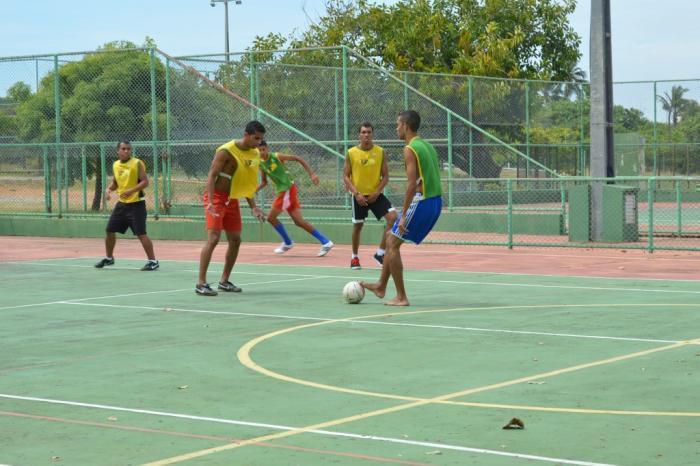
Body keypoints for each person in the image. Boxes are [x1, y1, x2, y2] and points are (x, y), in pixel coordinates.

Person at [361, 110, 442, 306]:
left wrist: (404, 215)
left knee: (392, 242)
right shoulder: (427, 146)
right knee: (391, 239)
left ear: (405, 126)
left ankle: (401, 297)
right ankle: (381, 286)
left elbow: (412, 185)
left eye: (398, 124)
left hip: (423, 201)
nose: (396, 128)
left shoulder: (410, 149)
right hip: (436, 201)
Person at [196, 121, 267, 296]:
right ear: (246, 134)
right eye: (256, 138)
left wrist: (254, 207)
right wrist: (210, 202)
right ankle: (201, 283)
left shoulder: (254, 153)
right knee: (214, 238)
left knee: (235, 240)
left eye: (261, 139)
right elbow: (211, 175)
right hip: (216, 198)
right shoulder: (226, 151)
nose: (258, 142)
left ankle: (224, 281)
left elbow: (246, 183)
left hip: (232, 198)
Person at [256, 141, 334, 256]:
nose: (262, 152)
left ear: (267, 148)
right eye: (259, 150)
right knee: (299, 221)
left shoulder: (276, 156)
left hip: (287, 190)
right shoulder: (260, 163)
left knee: (271, 218)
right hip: (286, 191)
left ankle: (288, 242)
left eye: (263, 149)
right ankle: (326, 242)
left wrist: (312, 174)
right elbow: (264, 182)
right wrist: (254, 190)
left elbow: (298, 158)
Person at [95, 141, 159, 271]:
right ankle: (109, 258)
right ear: (118, 150)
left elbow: (145, 182)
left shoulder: (137, 163)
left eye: (128, 149)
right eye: (123, 149)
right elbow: (116, 183)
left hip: (137, 204)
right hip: (122, 205)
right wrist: (108, 190)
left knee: (141, 234)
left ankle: (153, 261)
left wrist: (131, 191)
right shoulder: (116, 165)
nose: (126, 151)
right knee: (109, 230)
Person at [343, 122, 397, 270]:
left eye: (369, 132)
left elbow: (385, 176)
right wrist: (356, 193)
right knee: (358, 225)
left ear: (372, 134)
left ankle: (380, 253)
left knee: (393, 218)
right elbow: (346, 176)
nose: (366, 135)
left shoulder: (380, 152)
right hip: (359, 196)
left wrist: (377, 192)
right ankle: (354, 257)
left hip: (375, 195)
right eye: (363, 132)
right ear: (359, 135)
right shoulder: (351, 152)